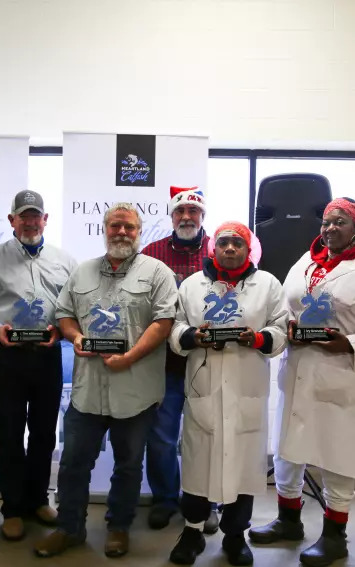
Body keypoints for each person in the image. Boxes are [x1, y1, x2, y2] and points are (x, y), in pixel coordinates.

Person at [248, 198, 355, 567]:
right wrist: (287, 327)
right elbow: (285, 307)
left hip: (344, 372)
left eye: (340, 222)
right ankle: (288, 520)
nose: (330, 228)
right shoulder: (306, 261)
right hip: (298, 368)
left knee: (339, 455)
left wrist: (351, 343)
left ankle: (335, 536)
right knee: (287, 450)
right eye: (326, 221)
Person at [34, 202, 178, 559]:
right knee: (73, 464)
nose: (122, 232)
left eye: (129, 227)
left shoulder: (158, 273)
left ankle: (118, 527)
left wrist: (129, 357)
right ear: (105, 229)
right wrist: (75, 338)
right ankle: (69, 528)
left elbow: (164, 323)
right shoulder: (82, 272)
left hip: (136, 391)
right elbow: (65, 314)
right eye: (115, 226)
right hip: (88, 391)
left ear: (139, 232)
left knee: (128, 466)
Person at [167, 222, 288, 566]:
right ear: (213, 248)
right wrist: (193, 337)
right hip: (204, 388)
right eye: (223, 243)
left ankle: (235, 536)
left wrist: (259, 338)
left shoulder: (268, 284)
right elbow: (175, 328)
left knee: (244, 467)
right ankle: (192, 532)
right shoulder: (192, 285)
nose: (230, 248)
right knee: (198, 464)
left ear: (249, 249)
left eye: (238, 243)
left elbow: (281, 328)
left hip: (246, 388)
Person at [0, 190, 77, 540]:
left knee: (44, 433)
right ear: (12, 220)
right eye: (23, 216)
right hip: (8, 357)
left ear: (46, 220)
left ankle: (38, 499)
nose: (30, 222)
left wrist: (60, 329)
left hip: (47, 357)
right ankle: (12, 508)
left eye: (35, 216)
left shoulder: (64, 260)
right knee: (10, 435)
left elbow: (73, 305)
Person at [140, 186, 218, 533]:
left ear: (203, 216)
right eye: (180, 212)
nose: (186, 217)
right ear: (171, 217)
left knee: (207, 436)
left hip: (208, 363)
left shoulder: (221, 249)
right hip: (165, 364)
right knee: (161, 439)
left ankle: (207, 501)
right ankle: (165, 499)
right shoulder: (151, 253)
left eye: (193, 211)